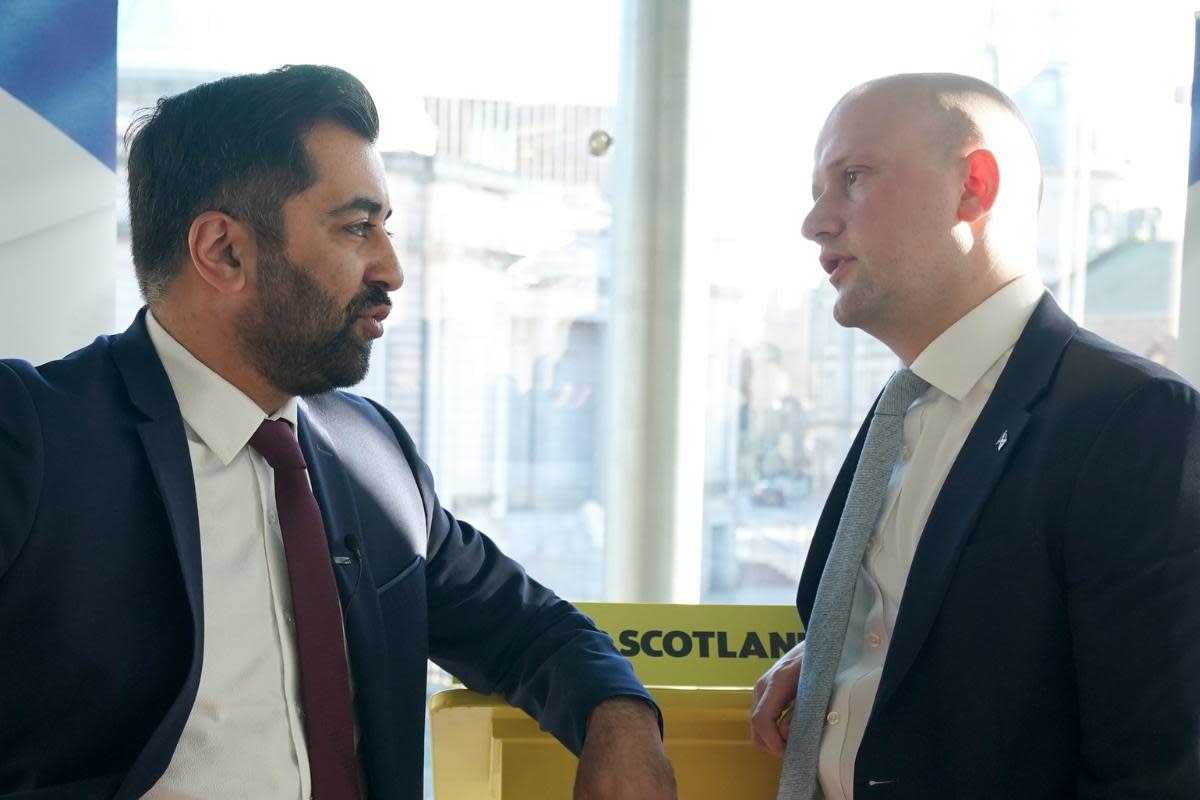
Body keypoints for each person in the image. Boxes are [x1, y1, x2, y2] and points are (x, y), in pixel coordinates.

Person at [0, 65, 675, 799]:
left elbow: (530, 631)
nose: (390, 268)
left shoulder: (371, 454)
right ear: (224, 252)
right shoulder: (33, 436)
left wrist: (621, 724)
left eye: (387, 228)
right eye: (357, 227)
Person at [750, 72, 1200, 799]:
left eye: (852, 178)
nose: (816, 221)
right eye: (816, 189)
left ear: (974, 187)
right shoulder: (902, 410)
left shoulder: (1139, 421)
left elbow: (1155, 766)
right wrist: (840, 658)